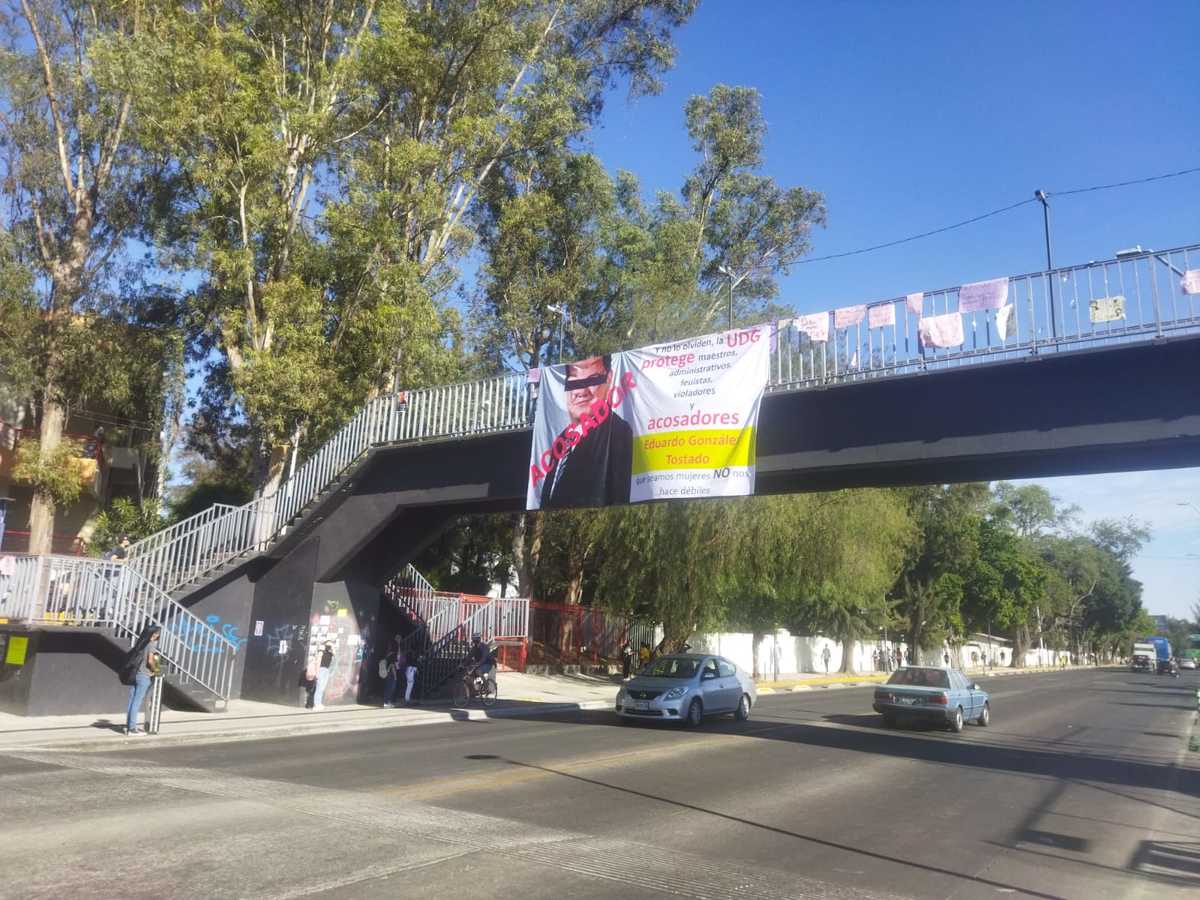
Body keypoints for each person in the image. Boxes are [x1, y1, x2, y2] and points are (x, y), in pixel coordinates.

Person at [540, 355, 633, 509]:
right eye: (574, 382)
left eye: (592, 380)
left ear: (609, 379)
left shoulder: (618, 432)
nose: (581, 391)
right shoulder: (561, 440)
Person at [122, 625, 161, 736]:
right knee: (137, 702)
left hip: (135, 675)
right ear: (154, 634)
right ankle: (132, 729)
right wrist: (156, 670)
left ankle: (128, 726)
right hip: (144, 676)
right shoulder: (152, 644)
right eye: (157, 633)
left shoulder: (141, 643)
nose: (158, 635)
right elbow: (150, 661)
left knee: (132, 701)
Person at [313, 641, 334, 710]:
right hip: (321, 670)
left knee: (322, 688)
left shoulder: (331, 653)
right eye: (328, 644)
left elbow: (335, 654)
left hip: (326, 670)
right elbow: (318, 662)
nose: (329, 646)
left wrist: (332, 648)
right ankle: (316, 705)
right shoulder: (321, 651)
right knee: (319, 688)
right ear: (325, 645)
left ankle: (319, 703)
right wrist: (317, 672)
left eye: (330, 644)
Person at [381, 639, 400, 708]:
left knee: (388, 687)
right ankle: (386, 702)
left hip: (387, 673)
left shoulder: (387, 654)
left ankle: (387, 702)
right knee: (391, 688)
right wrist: (395, 676)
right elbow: (392, 665)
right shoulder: (393, 654)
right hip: (391, 673)